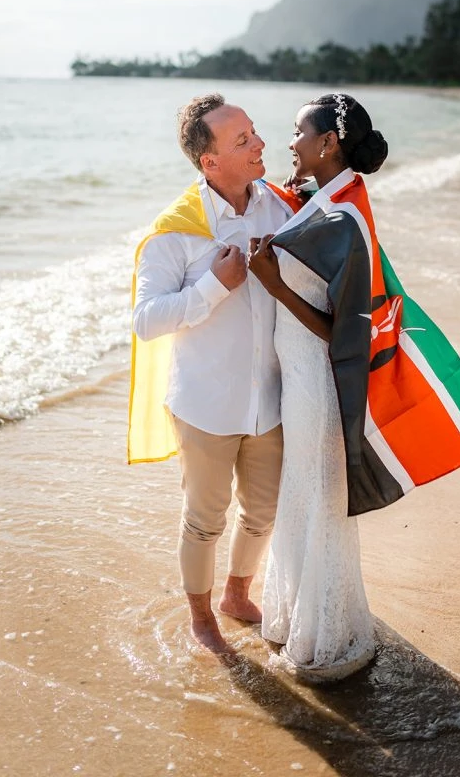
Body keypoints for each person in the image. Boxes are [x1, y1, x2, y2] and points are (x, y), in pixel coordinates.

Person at [248, 93, 460, 682]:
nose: (290, 143)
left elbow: (343, 330)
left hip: (316, 380)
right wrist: (298, 190)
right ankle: (301, 620)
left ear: (328, 143)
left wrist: (273, 284)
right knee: (304, 497)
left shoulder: (344, 217)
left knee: (318, 501)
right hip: (299, 376)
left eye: (297, 133)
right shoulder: (332, 198)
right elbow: (315, 226)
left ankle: (327, 636)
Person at [129, 94, 301, 655]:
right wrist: (213, 287)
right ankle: (202, 617)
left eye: (254, 132)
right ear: (210, 163)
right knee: (205, 520)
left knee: (263, 513)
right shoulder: (174, 231)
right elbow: (146, 321)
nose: (260, 145)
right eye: (243, 140)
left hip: (270, 402)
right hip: (206, 405)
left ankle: (236, 593)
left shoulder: (280, 208)